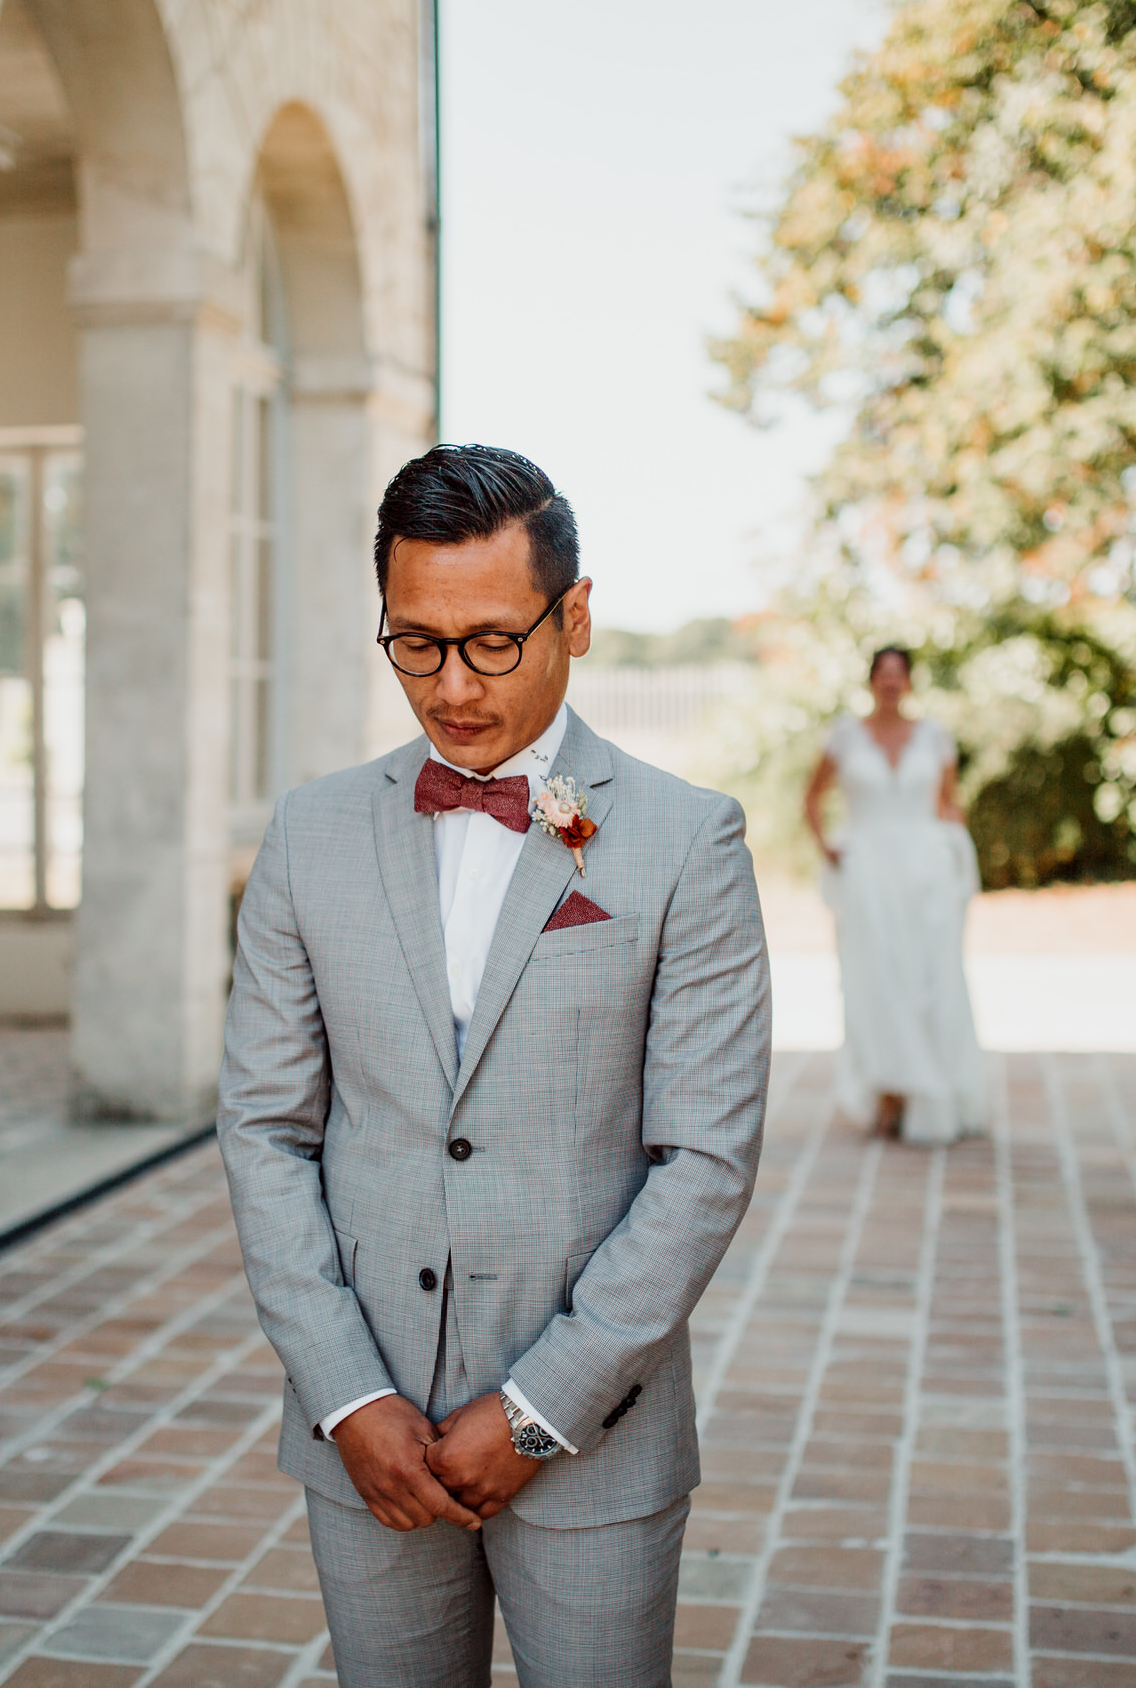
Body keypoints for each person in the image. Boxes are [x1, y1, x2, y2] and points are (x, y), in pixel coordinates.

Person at [215, 444, 771, 1685]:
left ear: (573, 616)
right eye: (415, 642)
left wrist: (537, 1413)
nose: (452, 685)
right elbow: (264, 1128)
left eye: (490, 642)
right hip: (368, 1441)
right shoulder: (309, 833)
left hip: (597, 1435)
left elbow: (704, 1162)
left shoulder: (688, 841)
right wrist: (347, 1398)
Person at [802, 644, 992, 1145]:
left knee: (928, 976)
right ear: (871, 681)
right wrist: (829, 849)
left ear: (909, 681)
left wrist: (957, 857)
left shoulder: (935, 737)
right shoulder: (844, 735)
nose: (890, 682)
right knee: (876, 976)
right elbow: (812, 798)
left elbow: (949, 805)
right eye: (882, 674)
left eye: (899, 674)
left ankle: (932, 1085)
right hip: (867, 874)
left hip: (925, 872)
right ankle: (888, 1090)